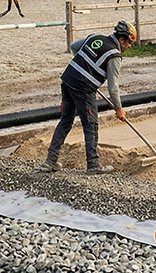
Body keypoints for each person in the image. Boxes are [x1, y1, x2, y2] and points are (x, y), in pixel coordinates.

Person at [40, 21, 137, 175]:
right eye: (130, 43)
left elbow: (74, 47)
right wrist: (119, 109)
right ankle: (93, 165)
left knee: (65, 121)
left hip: (68, 80)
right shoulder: (114, 56)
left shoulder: (94, 37)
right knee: (90, 126)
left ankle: (50, 161)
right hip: (83, 88)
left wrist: (85, 64)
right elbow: (113, 87)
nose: (129, 46)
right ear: (122, 40)